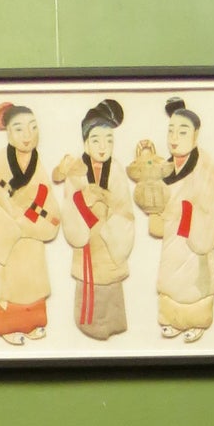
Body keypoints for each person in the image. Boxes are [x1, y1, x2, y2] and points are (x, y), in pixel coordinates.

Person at [58, 97, 134, 341]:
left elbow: (125, 210)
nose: (103, 146)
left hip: (110, 239)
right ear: (85, 142)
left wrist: (109, 213)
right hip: (88, 239)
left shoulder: (118, 170)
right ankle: (89, 324)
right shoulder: (76, 170)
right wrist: (88, 211)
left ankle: (114, 323)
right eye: (96, 139)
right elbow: (70, 203)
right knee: (90, 285)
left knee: (111, 286)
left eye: (109, 140)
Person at [0, 101, 60, 345]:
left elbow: (47, 199)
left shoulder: (38, 163)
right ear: (8, 133)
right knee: (9, 284)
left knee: (33, 281)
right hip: (10, 237)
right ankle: (7, 325)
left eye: (33, 127)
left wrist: (37, 221)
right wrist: (16, 222)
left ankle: (33, 323)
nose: (28, 135)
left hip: (32, 236)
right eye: (19, 129)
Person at [149, 96, 214, 343]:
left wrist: (180, 216)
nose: (174, 138)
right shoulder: (165, 167)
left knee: (194, 283)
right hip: (172, 237)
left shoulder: (205, 165)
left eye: (182, 131)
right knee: (170, 279)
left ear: (195, 136)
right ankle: (172, 319)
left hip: (193, 235)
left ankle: (197, 321)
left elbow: (208, 207)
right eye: (171, 131)